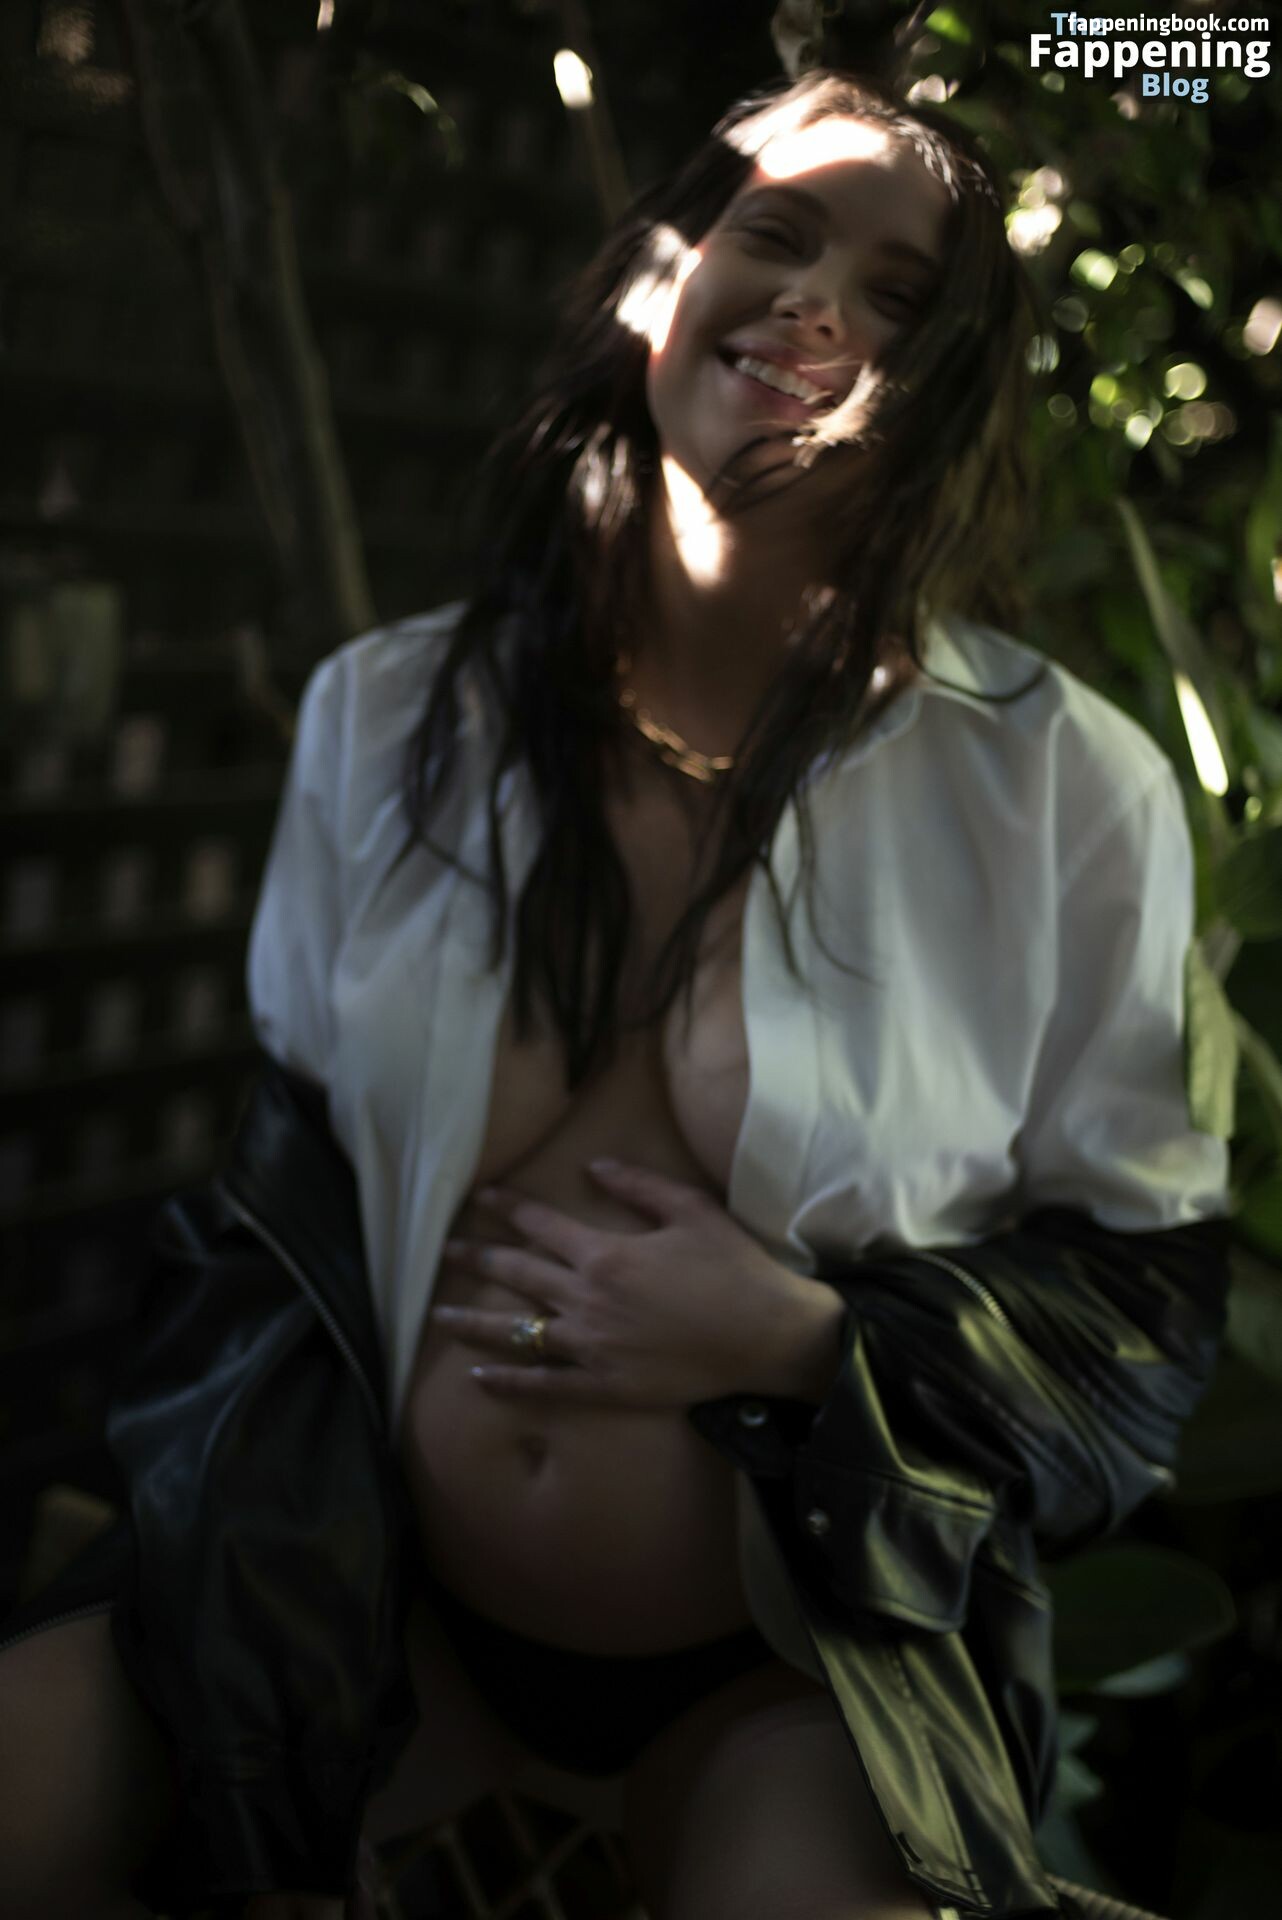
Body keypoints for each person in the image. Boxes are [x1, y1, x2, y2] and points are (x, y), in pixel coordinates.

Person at [0, 67, 1231, 1920]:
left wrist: (804, 1342)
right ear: (659, 281)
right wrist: (251, 1648)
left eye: (899, 297)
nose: (814, 303)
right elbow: (267, 1232)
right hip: (345, 1604)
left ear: (952, 389)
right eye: (776, 234)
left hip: (801, 1665)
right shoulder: (387, 717)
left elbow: (1137, 1325)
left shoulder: (1062, 791)